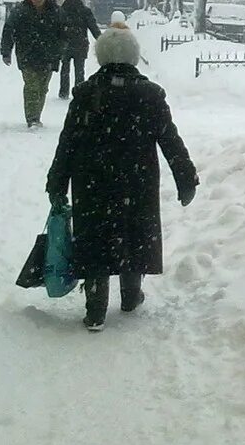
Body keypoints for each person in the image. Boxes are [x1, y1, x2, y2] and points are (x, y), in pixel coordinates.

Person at [46, 21, 199, 332]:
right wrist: (186, 177)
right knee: (134, 233)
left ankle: (96, 307)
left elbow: (69, 140)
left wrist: (57, 181)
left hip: (92, 178)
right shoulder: (150, 94)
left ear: (101, 56)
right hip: (136, 178)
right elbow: (170, 139)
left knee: (94, 235)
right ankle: (131, 295)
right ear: (133, 57)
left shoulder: (87, 93)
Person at [1, 0, 66, 128]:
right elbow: (9, 30)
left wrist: (60, 51)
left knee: (42, 88)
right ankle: (32, 119)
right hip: (27, 55)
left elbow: (63, 33)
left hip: (48, 56)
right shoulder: (20, 11)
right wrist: (6, 52)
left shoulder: (56, 11)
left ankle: (37, 115)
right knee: (32, 86)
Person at [59, 0, 101, 99]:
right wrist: (101, 39)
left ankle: (63, 92)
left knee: (64, 69)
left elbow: (56, 28)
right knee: (79, 70)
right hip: (80, 45)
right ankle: (78, 91)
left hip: (65, 45)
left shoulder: (61, 10)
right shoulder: (85, 11)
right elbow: (93, 27)